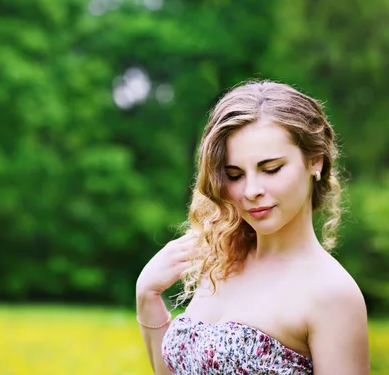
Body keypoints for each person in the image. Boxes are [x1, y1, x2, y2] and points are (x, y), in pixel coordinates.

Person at [135, 80, 370, 374]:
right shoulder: (219, 264)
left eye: (271, 169)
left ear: (315, 162)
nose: (251, 190)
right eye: (234, 175)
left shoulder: (331, 293)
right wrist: (147, 296)